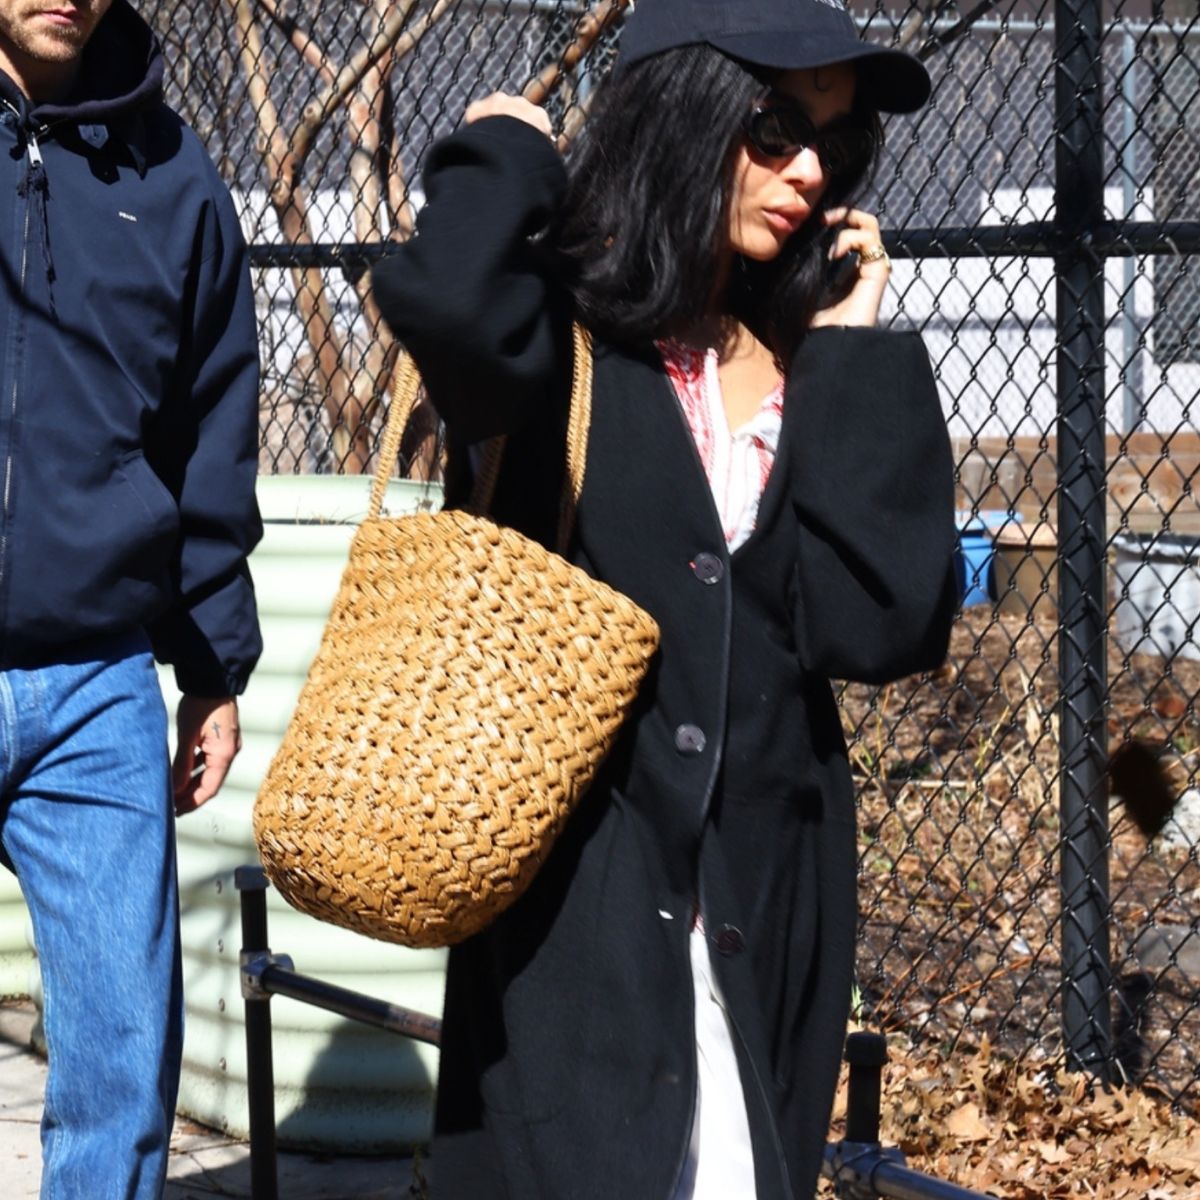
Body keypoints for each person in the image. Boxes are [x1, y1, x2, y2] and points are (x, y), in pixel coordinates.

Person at [371, 0, 957, 1195]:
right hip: (579, 917)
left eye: (834, 148)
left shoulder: (805, 353)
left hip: (768, 907)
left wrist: (853, 356)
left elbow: (884, 623)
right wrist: (514, 153)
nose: (808, 170)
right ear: (681, 110)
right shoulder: (566, 330)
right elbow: (442, 303)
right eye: (775, 127)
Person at [0, 1, 261, 1196]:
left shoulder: (172, 173)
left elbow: (207, 429)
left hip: (97, 683)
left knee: (121, 1069)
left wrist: (211, 660)